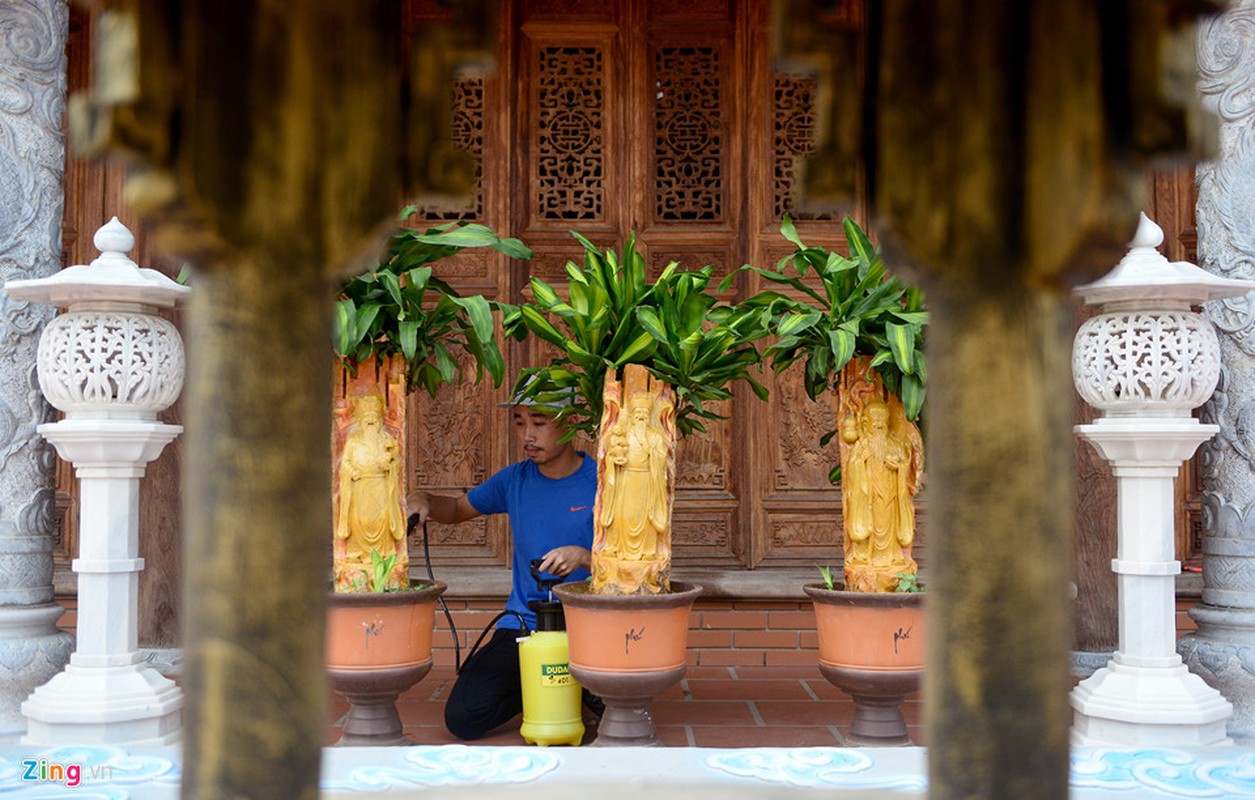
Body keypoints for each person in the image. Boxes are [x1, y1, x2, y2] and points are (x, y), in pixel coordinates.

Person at [406, 380, 597, 740]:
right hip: (525, 624)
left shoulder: (603, 482)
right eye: (520, 422)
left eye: (539, 422)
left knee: (616, 705)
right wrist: (423, 498)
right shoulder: (514, 480)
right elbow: (459, 508)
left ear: (570, 422)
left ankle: (568, 686)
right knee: (465, 716)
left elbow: (633, 565)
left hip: (592, 626)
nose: (528, 434)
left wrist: (583, 556)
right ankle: (552, 686)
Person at [334, 393, 407, 591]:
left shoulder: (387, 440)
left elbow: (396, 461)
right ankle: (358, 553)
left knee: (382, 518)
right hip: (360, 487)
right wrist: (352, 471)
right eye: (367, 416)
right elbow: (345, 464)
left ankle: (384, 554)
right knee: (359, 520)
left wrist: (390, 465)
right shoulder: (353, 442)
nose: (371, 419)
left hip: (381, 487)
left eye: (375, 416)